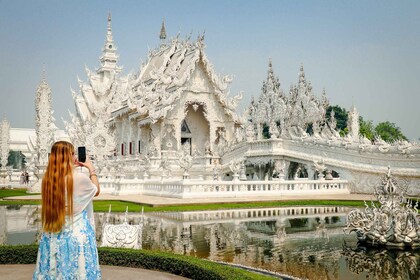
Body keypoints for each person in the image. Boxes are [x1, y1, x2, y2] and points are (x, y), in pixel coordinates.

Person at [33, 141, 101, 279]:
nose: (75, 156)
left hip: (52, 234)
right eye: (73, 153)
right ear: (68, 156)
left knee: (54, 272)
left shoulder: (48, 180)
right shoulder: (79, 178)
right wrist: (91, 169)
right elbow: (96, 190)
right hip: (77, 236)